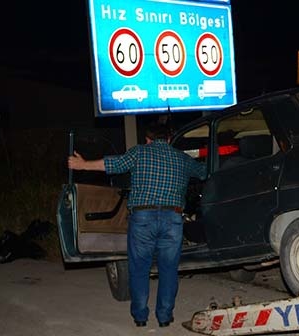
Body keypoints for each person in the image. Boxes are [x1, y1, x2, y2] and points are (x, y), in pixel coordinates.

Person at [68, 122, 206, 328]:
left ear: (148, 139)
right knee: (168, 270)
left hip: (142, 218)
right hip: (173, 219)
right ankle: (165, 317)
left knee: (139, 268)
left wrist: (83, 164)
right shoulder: (182, 158)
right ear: (168, 139)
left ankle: (140, 317)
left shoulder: (139, 153)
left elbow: (112, 164)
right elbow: (205, 171)